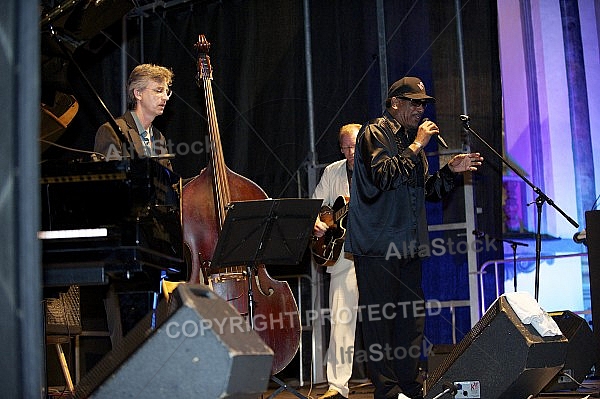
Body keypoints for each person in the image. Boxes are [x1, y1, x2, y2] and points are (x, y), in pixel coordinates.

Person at [345, 77, 483, 399]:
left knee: (410, 321)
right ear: (396, 103)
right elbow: (383, 175)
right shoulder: (374, 133)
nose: (421, 110)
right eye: (415, 103)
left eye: (423, 104)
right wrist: (417, 145)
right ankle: (388, 392)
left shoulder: (411, 141)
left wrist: (451, 171)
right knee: (380, 324)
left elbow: (429, 190)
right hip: (378, 247)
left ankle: (409, 386)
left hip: (408, 245)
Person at [313, 124, 361, 399]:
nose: (348, 152)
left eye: (353, 146)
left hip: (376, 251)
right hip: (343, 253)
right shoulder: (333, 171)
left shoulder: (378, 167)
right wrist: (317, 223)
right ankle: (337, 385)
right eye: (344, 147)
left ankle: (393, 381)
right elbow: (317, 204)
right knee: (341, 318)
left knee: (386, 316)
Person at [95, 63, 174, 170]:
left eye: (166, 92)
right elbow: (112, 182)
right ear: (138, 93)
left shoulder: (159, 137)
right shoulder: (111, 131)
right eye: (159, 91)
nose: (166, 97)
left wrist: (201, 178)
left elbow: (169, 184)